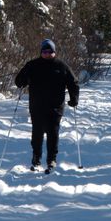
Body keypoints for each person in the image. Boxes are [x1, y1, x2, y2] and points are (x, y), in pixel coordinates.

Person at [15, 39, 79, 171]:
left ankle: (51, 160)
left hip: (55, 106)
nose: (47, 54)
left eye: (50, 51)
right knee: (37, 133)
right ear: (41, 52)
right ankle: (36, 158)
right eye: (44, 51)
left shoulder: (62, 66)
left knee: (52, 133)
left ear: (54, 52)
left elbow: (73, 83)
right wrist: (22, 81)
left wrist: (74, 99)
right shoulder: (32, 65)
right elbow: (19, 80)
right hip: (37, 106)